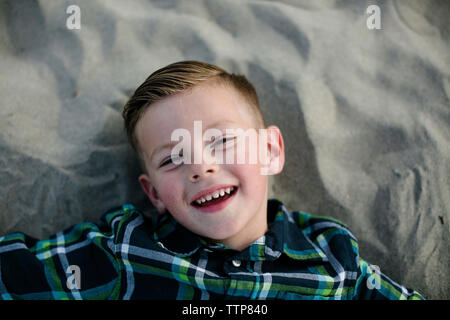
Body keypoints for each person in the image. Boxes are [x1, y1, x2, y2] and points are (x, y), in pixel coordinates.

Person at [0, 61, 423, 300]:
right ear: (154, 194)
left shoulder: (333, 261)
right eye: (173, 158)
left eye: (221, 140)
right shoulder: (125, 248)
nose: (199, 167)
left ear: (270, 150)